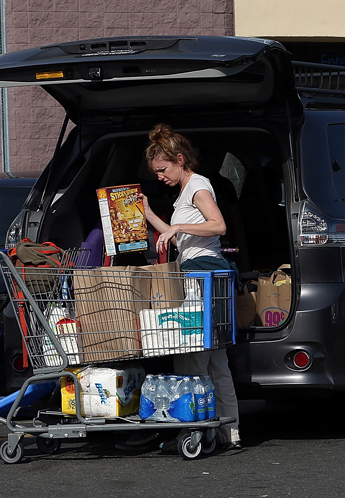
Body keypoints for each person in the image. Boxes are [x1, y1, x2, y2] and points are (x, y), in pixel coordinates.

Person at [118, 124, 242, 453]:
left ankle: (197, 430)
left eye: (162, 170)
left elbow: (218, 225)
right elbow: (176, 234)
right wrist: (147, 214)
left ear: (180, 159)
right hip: (202, 275)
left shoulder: (199, 186)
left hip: (203, 275)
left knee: (195, 359)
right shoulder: (186, 190)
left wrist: (177, 226)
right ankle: (229, 431)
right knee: (215, 361)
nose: (159, 177)